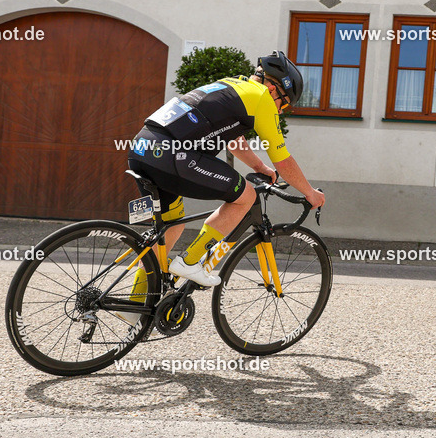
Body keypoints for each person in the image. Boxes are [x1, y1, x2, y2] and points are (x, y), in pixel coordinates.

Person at [125, 51, 325, 299]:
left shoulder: (232, 85)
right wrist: (310, 193)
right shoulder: (262, 97)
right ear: (274, 89)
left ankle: (135, 308)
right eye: (283, 104)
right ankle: (190, 263)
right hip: (174, 154)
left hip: (142, 148)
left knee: (170, 227)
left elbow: (234, 139)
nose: (280, 111)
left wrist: (259, 168)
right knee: (246, 196)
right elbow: (283, 160)